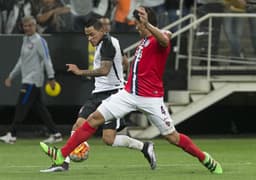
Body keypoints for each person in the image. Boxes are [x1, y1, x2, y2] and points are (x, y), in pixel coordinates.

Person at [40, 7, 223, 174]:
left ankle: (204, 158)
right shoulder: (142, 43)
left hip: (150, 98)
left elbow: (165, 41)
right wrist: (127, 63)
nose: (136, 27)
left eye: (139, 24)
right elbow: (136, 66)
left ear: (147, 23)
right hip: (128, 94)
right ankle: (61, 154)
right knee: (94, 119)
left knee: (172, 137)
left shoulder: (160, 37)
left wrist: (147, 24)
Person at [39, 17, 156, 172]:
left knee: (109, 139)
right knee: (78, 125)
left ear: (102, 30)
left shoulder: (108, 43)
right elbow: (125, 62)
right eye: (87, 35)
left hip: (113, 95)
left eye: (92, 34)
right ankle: (63, 162)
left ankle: (144, 147)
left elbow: (104, 70)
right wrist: (127, 75)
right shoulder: (108, 41)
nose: (89, 38)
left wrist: (80, 72)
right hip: (98, 94)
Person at [0, 16, 62, 144]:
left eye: (30, 25)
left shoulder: (40, 41)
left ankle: (11, 134)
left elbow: (47, 60)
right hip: (26, 79)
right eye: (25, 26)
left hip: (33, 80)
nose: (27, 28)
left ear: (35, 26)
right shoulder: (25, 39)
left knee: (21, 106)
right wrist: (12, 76)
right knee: (40, 109)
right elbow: (21, 61)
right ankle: (56, 134)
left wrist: (51, 77)